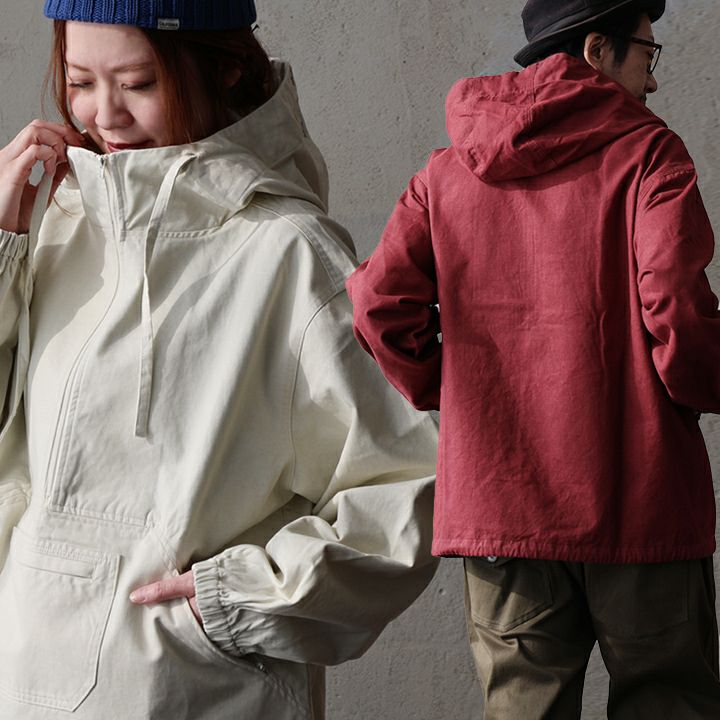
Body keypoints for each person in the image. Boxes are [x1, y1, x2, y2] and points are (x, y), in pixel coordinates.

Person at [0, 2, 439, 718]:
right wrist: (3, 246)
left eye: (138, 83)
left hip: (191, 695)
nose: (105, 114)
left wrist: (239, 602)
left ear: (222, 66)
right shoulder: (58, 223)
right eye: (80, 82)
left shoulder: (288, 253)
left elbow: (406, 483)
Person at [347, 0, 720, 717]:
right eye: (647, 54)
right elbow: (675, 305)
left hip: (504, 507)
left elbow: (378, 304)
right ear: (597, 50)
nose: (653, 79)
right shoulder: (650, 155)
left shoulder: (448, 170)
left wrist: (454, 391)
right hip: (642, 502)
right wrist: (706, 381)